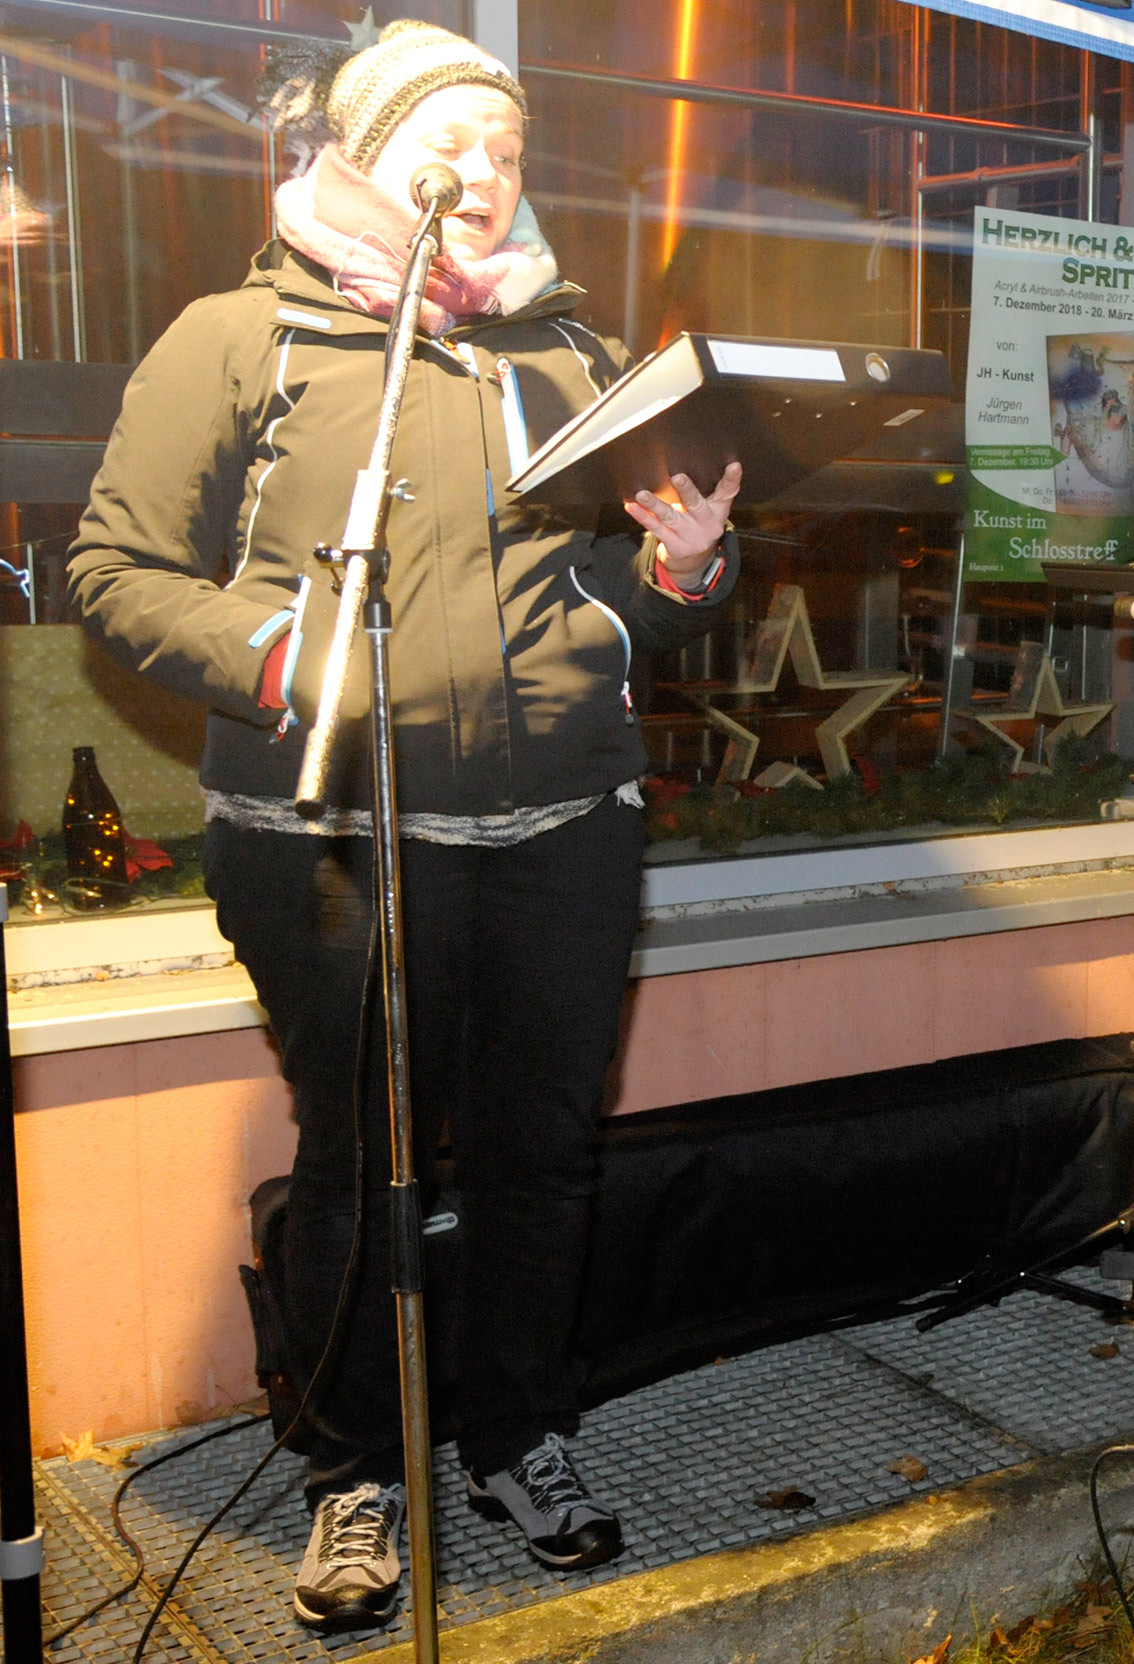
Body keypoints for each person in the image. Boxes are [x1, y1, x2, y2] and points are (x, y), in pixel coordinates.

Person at [67, 21, 740, 1634]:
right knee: (362, 1156)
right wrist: (274, 654)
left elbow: (623, 600)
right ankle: (352, 1464)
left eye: (509, 147)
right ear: (367, 155)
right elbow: (111, 570)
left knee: (536, 1153)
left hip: (565, 824)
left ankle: (518, 1427)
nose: (489, 171)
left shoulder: (572, 358)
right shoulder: (244, 340)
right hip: (333, 835)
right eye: (456, 139)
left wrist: (684, 572)